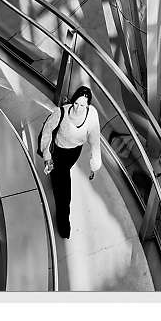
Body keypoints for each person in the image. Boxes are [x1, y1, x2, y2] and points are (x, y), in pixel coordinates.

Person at [40, 86, 101, 239]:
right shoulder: (61, 112)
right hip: (58, 152)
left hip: (73, 153)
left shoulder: (91, 114)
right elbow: (47, 130)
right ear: (72, 101)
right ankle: (64, 226)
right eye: (76, 104)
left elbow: (95, 141)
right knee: (64, 193)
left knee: (60, 178)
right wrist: (47, 154)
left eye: (83, 105)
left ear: (87, 105)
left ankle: (55, 180)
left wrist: (95, 165)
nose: (79, 108)